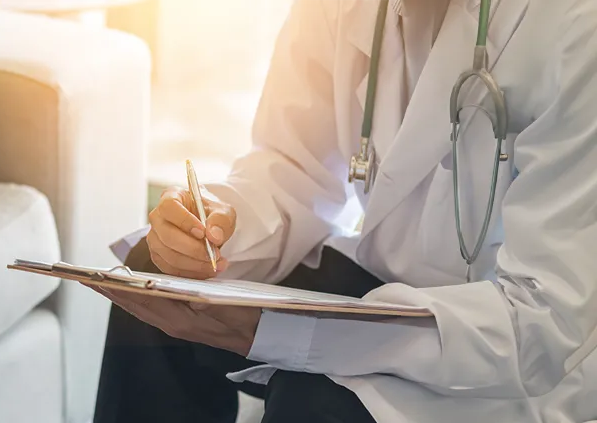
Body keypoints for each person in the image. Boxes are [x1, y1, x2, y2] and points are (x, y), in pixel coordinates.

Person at [94, 0, 597, 422]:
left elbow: (542, 320)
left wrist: (298, 336)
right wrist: (217, 228)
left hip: (508, 345)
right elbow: (294, 164)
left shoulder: (577, 24)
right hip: (384, 279)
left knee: (314, 400)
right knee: (156, 283)